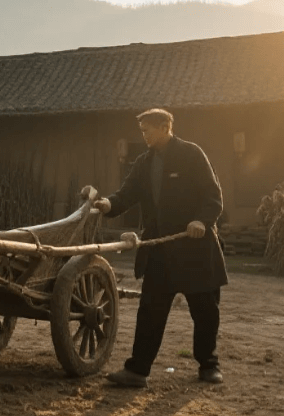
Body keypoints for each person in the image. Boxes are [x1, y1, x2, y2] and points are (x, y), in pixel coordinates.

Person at [94, 108, 227, 387]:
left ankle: (208, 365)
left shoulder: (192, 154)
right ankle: (138, 370)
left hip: (195, 248)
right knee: (150, 312)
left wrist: (202, 221)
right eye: (142, 131)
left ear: (166, 126)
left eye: (147, 130)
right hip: (160, 252)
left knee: (205, 312)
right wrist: (108, 205)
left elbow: (213, 196)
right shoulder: (143, 163)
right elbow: (126, 194)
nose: (144, 136)